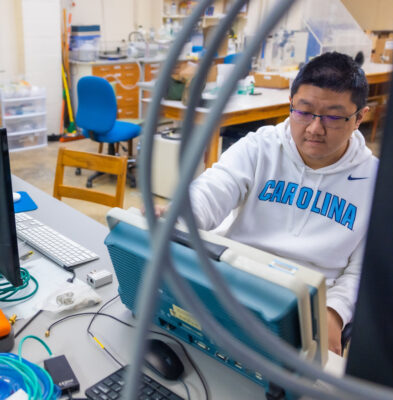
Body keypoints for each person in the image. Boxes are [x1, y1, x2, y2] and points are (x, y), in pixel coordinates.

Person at [155, 52, 376, 355]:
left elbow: (363, 269)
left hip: (305, 306)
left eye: (333, 117)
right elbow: (212, 190)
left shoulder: (376, 182)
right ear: (291, 101)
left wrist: (335, 313)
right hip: (235, 279)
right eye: (304, 111)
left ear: (359, 118)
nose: (314, 128)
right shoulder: (260, 146)